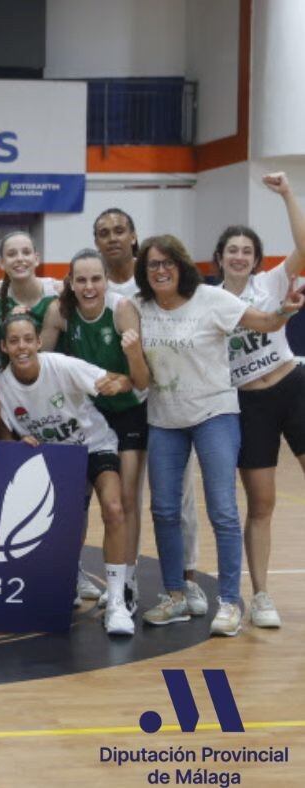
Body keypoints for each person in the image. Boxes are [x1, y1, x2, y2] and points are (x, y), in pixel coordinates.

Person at [131, 235, 303, 637]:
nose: (160, 270)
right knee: (164, 511)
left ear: (182, 265)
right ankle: (174, 595)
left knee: (223, 509)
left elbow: (262, 322)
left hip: (215, 413)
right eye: (153, 264)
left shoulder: (211, 299)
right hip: (164, 418)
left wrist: (283, 311)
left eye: (167, 263)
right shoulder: (140, 308)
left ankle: (229, 601)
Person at [0, 312, 136, 636]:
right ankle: (66, 580)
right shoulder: (3, 387)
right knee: (65, 525)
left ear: (39, 341)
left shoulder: (60, 366)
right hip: (57, 458)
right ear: (4, 346)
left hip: (95, 445)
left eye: (28, 339)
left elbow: (121, 379)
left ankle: (116, 602)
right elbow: (1, 427)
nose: (22, 347)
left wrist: (116, 383)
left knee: (114, 510)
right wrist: (15, 441)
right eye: (14, 341)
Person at [93, 210, 204, 612]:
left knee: (179, 497)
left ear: (134, 235)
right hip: (123, 407)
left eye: (119, 230)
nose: (113, 239)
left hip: (169, 403)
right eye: (103, 233)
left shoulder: (156, 278)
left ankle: (189, 578)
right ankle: (128, 580)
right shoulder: (93, 285)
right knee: (127, 498)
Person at [214, 172, 305, 628]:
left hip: (293, 387)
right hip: (248, 406)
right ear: (220, 257)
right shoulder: (208, 301)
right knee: (262, 502)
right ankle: (262, 595)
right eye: (233, 249)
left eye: (247, 250)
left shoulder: (269, 284)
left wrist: (288, 193)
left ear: (255, 259)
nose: (240, 256)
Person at [40, 249, 148, 613]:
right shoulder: (60, 313)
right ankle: (70, 574)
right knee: (77, 501)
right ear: (70, 282)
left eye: (95, 279)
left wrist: (128, 369)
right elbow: (41, 364)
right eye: (81, 280)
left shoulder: (121, 309)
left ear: (107, 280)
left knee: (125, 500)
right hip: (86, 416)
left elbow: (142, 379)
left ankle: (127, 583)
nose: (89, 287)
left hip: (128, 413)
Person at [0, 231, 62, 374]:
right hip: (7, 384)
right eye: (11, 254)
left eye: (26, 252)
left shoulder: (57, 291)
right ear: (1, 263)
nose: (19, 258)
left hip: (54, 382)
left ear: (36, 258)